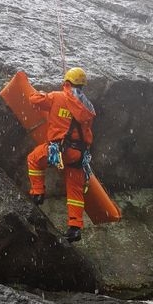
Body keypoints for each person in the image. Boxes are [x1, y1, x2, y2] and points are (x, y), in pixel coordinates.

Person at [27, 67, 96, 243]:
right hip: (79, 155)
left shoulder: (57, 97)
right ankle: (75, 228)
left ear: (66, 82)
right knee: (75, 190)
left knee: (34, 159)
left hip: (60, 150)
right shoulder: (88, 107)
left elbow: (33, 99)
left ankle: (38, 194)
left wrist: (42, 93)